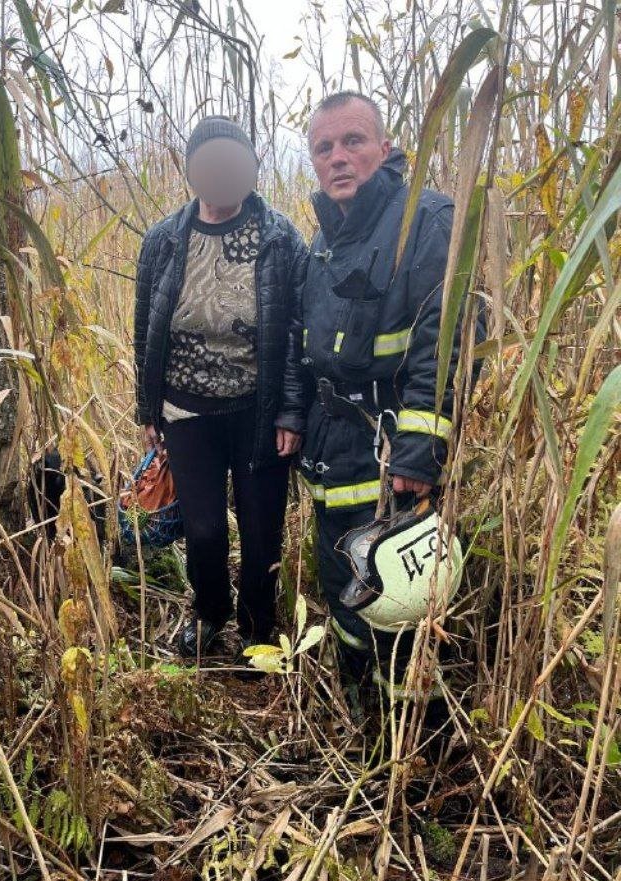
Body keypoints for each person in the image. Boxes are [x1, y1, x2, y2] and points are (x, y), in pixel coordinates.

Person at [298, 92, 483, 715]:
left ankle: (411, 737)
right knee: (342, 583)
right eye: (324, 148)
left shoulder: (426, 220)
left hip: (389, 452)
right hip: (331, 448)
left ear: (385, 146)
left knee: (397, 597)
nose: (339, 158)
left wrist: (419, 448)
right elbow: (307, 349)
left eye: (353, 141)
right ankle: (362, 709)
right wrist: (292, 422)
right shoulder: (322, 242)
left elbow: (447, 340)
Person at [134, 116, 308, 659]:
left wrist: (291, 411)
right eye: (210, 163)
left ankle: (259, 631)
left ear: (253, 168)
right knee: (205, 531)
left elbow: (299, 331)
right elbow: (146, 326)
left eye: (234, 163)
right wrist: (147, 408)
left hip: (259, 412)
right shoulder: (164, 239)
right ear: (191, 171)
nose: (223, 174)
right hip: (186, 413)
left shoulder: (281, 238)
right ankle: (209, 615)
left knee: (262, 533)